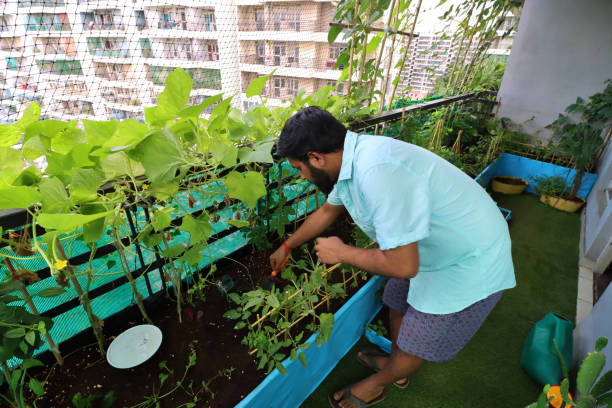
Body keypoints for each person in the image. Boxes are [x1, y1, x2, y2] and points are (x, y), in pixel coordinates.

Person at [269, 106, 516, 408]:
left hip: (467, 259)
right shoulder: (350, 159)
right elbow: (327, 212)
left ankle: (377, 384)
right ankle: (394, 365)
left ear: (316, 157)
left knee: (416, 345)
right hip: (427, 246)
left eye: (299, 168)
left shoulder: (377, 173)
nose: (303, 176)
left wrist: (343, 252)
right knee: (396, 302)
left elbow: (403, 265)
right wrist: (288, 246)